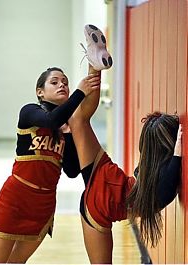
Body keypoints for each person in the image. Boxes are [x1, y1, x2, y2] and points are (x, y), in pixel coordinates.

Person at [68, 24, 182, 264]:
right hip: (103, 197)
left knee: (78, 120)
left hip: (108, 188)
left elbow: (166, 174)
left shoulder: (149, 169)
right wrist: (178, 150)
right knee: (78, 120)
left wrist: (177, 151)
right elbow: (171, 178)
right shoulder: (158, 188)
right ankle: (93, 66)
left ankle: (94, 66)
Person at [0, 66, 101, 263]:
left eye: (65, 82)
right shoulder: (30, 111)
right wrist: (80, 93)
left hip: (44, 204)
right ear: (40, 92)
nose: (62, 85)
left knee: (16, 262)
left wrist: (69, 133)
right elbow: (50, 120)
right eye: (55, 82)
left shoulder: (66, 127)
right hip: (17, 197)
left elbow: (72, 171)